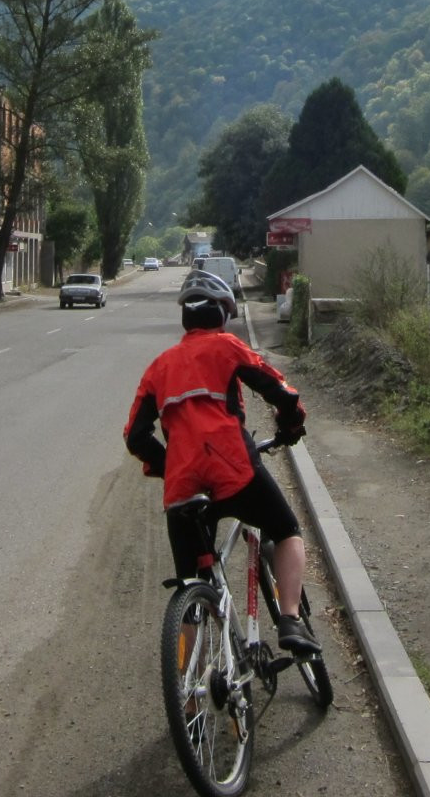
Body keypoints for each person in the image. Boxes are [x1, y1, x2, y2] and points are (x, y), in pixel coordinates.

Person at [124, 270, 320, 655]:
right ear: (222, 315)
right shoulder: (226, 346)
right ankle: (290, 620)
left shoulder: (159, 367)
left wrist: (170, 464)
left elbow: (135, 436)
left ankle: (189, 683)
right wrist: (292, 424)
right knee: (286, 529)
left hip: (182, 486)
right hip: (233, 470)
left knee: (190, 586)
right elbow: (280, 391)